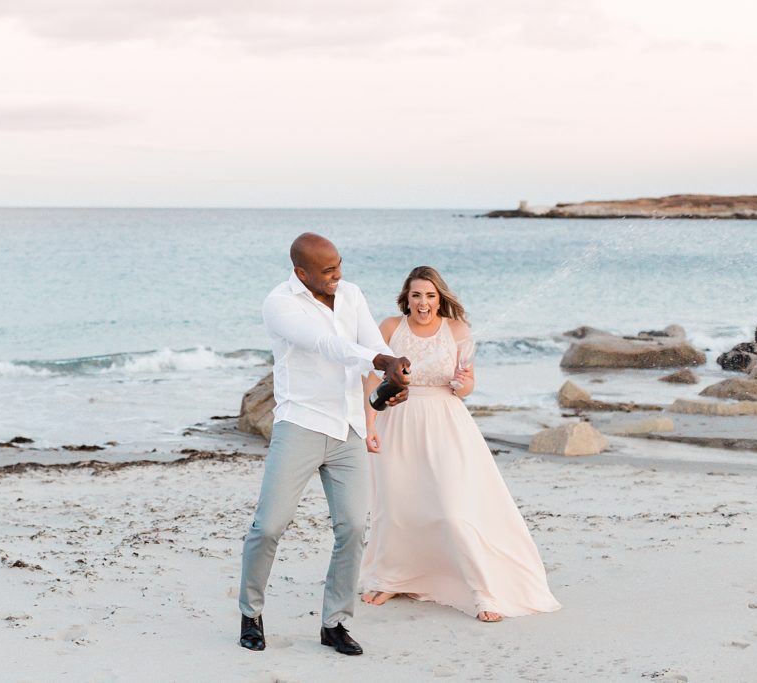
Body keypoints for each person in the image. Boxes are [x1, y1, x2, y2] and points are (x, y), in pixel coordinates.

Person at [238, 233, 412, 656]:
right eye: (328, 270)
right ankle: (250, 613)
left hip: (349, 427)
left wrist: (393, 377)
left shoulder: (351, 294)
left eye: (339, 265)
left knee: (352, 527)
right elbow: (326, 344)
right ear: (301, 272)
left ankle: (334, 623)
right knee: (270, 526)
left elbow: (374, 345)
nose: (339, 275)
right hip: (301, 423)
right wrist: (378, 361)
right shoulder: (280, 303)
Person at [359, 266, 560, 622]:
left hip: (446, 422)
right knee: (396, 505)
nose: (423, 303)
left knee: (454, 510)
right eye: (417, 295)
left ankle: (483, 591)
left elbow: (467, 387)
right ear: (406, 297)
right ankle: (394, 577)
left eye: (430, 296)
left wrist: (461, 383)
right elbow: (370, 378)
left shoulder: (457, 330)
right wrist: (370, 424)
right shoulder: (390, 327)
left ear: (441, 298)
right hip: (398, 421)